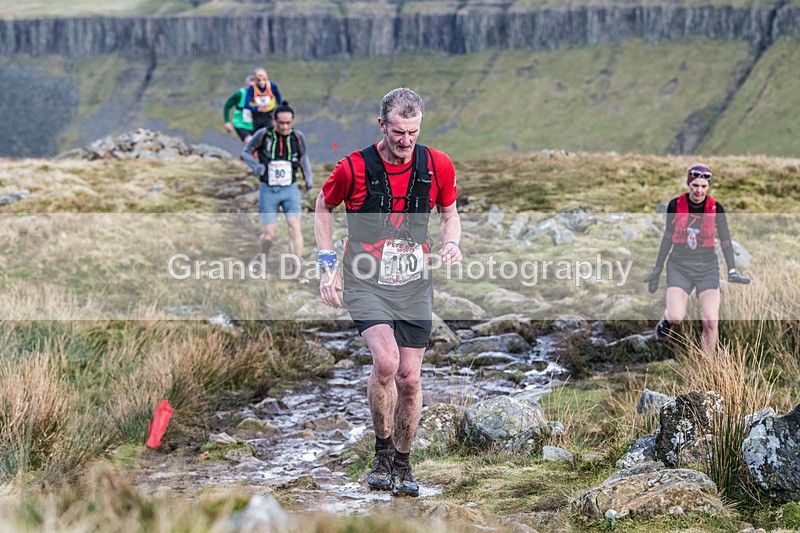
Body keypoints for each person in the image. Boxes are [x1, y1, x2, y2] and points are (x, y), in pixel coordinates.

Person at [314, 88, 462, 497]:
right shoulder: (353, 168)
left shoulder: (438, 165)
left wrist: (452, 242)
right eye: (398, 131)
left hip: (414, 284)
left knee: (410, 379)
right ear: (382, 125)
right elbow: (324, 206)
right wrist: (327, 267)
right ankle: (380, 454)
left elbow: (449, 214)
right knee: (385, 363)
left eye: (413, 132)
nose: (405, 140)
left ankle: (402, 461)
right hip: (365, 280)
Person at [644, 163, 750, 355]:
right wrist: (657, 269)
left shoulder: (716, 208)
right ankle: (666, 320)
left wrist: (732, 270)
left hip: (707, 268)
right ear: (689, 184)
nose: (699, 190)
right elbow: (667, 237)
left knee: (710, 321)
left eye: (703, 186)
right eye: (695, 185)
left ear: (708, 187)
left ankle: (708, 363)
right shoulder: (675, 205)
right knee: (676, 316)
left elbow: (726, 240)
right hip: (679, 266)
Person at [242, 104, 312, 282]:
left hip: (290, 189)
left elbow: (303, 157)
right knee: (269, 234)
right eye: (281, 123)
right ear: (274, 120)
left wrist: (308, 179)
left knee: (294, 226)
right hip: (268, 190)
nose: (285, 127)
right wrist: (256, 167)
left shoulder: (297, 137)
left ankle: (297, 270)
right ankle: (262, 255)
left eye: (288, 123)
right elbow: (246, 152)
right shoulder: (263, 135)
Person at [243, 68, 282, 132]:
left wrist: (277, 111)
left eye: (264, 79)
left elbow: (279, 100)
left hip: (269, 114)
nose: (261, 82)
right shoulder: (251, 88)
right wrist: (256, 109)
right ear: (255, 80)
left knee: (269, 132)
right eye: (259, 80)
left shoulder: (272, 86)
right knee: (257, 133)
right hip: (256, 115)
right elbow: (246, 105)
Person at [223, 75, 255, 142]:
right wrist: (227, 121)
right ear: (246, 85)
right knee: (250, 141)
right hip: (241, 124)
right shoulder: (240, 94)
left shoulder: (261, 96)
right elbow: (227, 105)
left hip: (254, 125)